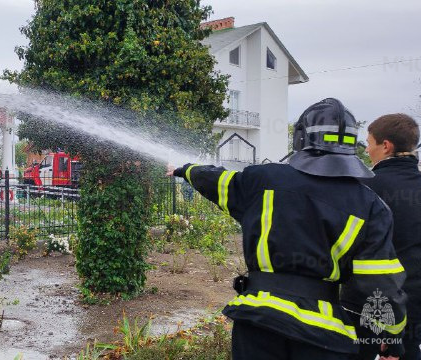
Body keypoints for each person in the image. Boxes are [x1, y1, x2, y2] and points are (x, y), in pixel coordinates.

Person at [168, 98, 407, 359]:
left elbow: (216, 180)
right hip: (322, 336)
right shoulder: (370, 205)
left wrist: (185, 169)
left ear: (301, 138)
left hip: (257, 320)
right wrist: (391, 336)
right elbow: (380, 282)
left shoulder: (263, 179)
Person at [355, 113, 421, 360]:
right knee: (408, 351)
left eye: (369, 142)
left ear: (385, 146)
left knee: (361, 350)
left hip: (371, 294)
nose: (367, 149)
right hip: (418, 295)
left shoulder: (366, 189)